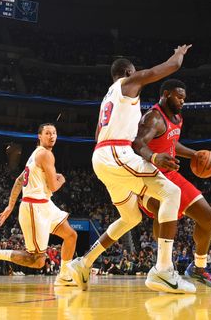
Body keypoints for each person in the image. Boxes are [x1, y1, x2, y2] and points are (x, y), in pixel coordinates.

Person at [68, 45, 196, 294]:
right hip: (117, 152)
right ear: (128, 71)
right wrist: (179, 54)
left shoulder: (108, 97)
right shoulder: (127, 83)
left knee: (132, 217)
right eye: (135, 72)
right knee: (172, 193)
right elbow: (169, 68)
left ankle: (84, 263)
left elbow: (97, 134)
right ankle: (163, 270)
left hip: (102, 156)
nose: (138, 75)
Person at [136, 79, 211, 289]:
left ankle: (199, 268)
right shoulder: (153, 117)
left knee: (208, 216)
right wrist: (155, 157)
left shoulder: (177, 118)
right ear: (166, 94)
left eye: (184, 98)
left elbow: (172, 142)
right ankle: (163, 268)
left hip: (171, 174)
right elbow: (137, 143)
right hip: (149, 176)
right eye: (179, 97)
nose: (183, 101)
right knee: (162, 214)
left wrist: (194, 155)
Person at [0, 123, 78, 286]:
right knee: (37, 261)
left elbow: (18, 180)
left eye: (54, 133)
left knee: (71, 236)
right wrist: (61, 180)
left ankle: (64, 275)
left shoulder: (34, 155)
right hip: (34, 207)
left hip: (45, 204)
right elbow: (53, 187)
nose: (52, 136)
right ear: (39, 136)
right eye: (47, 133)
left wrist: (10, 206)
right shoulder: (45, 154)